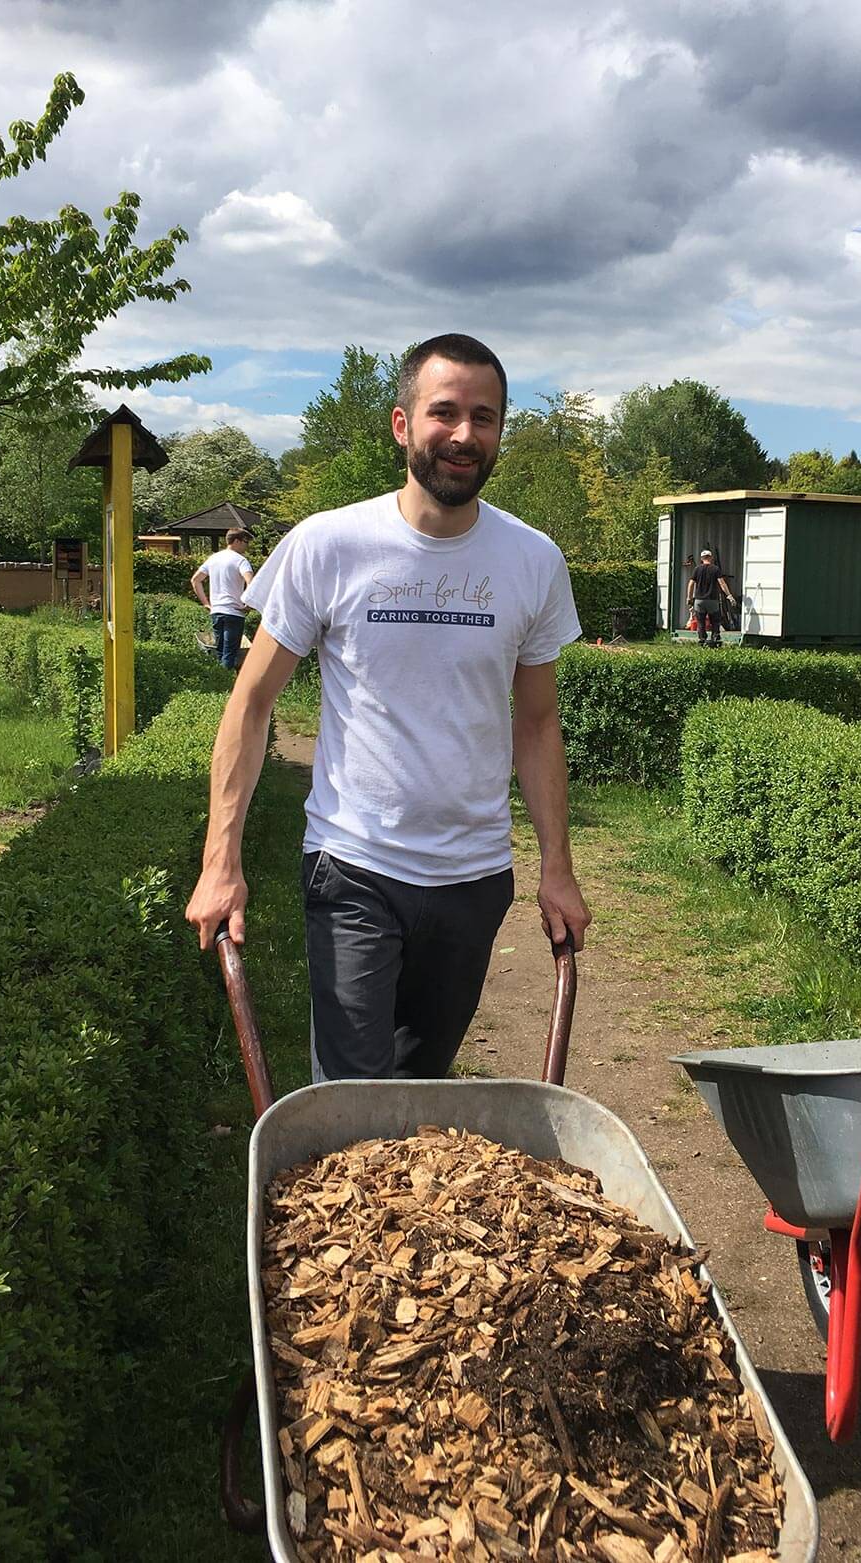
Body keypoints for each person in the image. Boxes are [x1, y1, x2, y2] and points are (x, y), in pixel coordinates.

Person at [185, 333, 591, 1082]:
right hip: (354, 865)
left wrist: (557, 868)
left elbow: (536, 724)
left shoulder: (532, 561)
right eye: (444, 412)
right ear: (403, 424)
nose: (465, 434)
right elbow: (251, 702)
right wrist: (221, 861)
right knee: (351, 1099)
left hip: (473, 878)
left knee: (418, 1089)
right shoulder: (329, 545)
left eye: (485, 416)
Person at [191, 528, 254, 669]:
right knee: (230, 653)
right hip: (234, 612)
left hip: (217, 611)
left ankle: (218, 682)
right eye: (245, 542)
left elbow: (195, 580)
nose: (247, 546)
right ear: (236, 541)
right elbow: (251, 582)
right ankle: (227, 686)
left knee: (219, 650)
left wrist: (206, 603)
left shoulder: (213, 558)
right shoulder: (241, 561)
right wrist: (248, 603)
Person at [687, 549, 736, 647]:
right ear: (711, 557)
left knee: (701, 622)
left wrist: (689, 598)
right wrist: (729, 596)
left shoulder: (697, 569)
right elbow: (722, 583)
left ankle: (702, 640)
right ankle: (715, 639)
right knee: (715, 621)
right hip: (712, 600)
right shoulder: (716, 569)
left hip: (699, 601)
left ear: (701, 559)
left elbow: (691, 583)